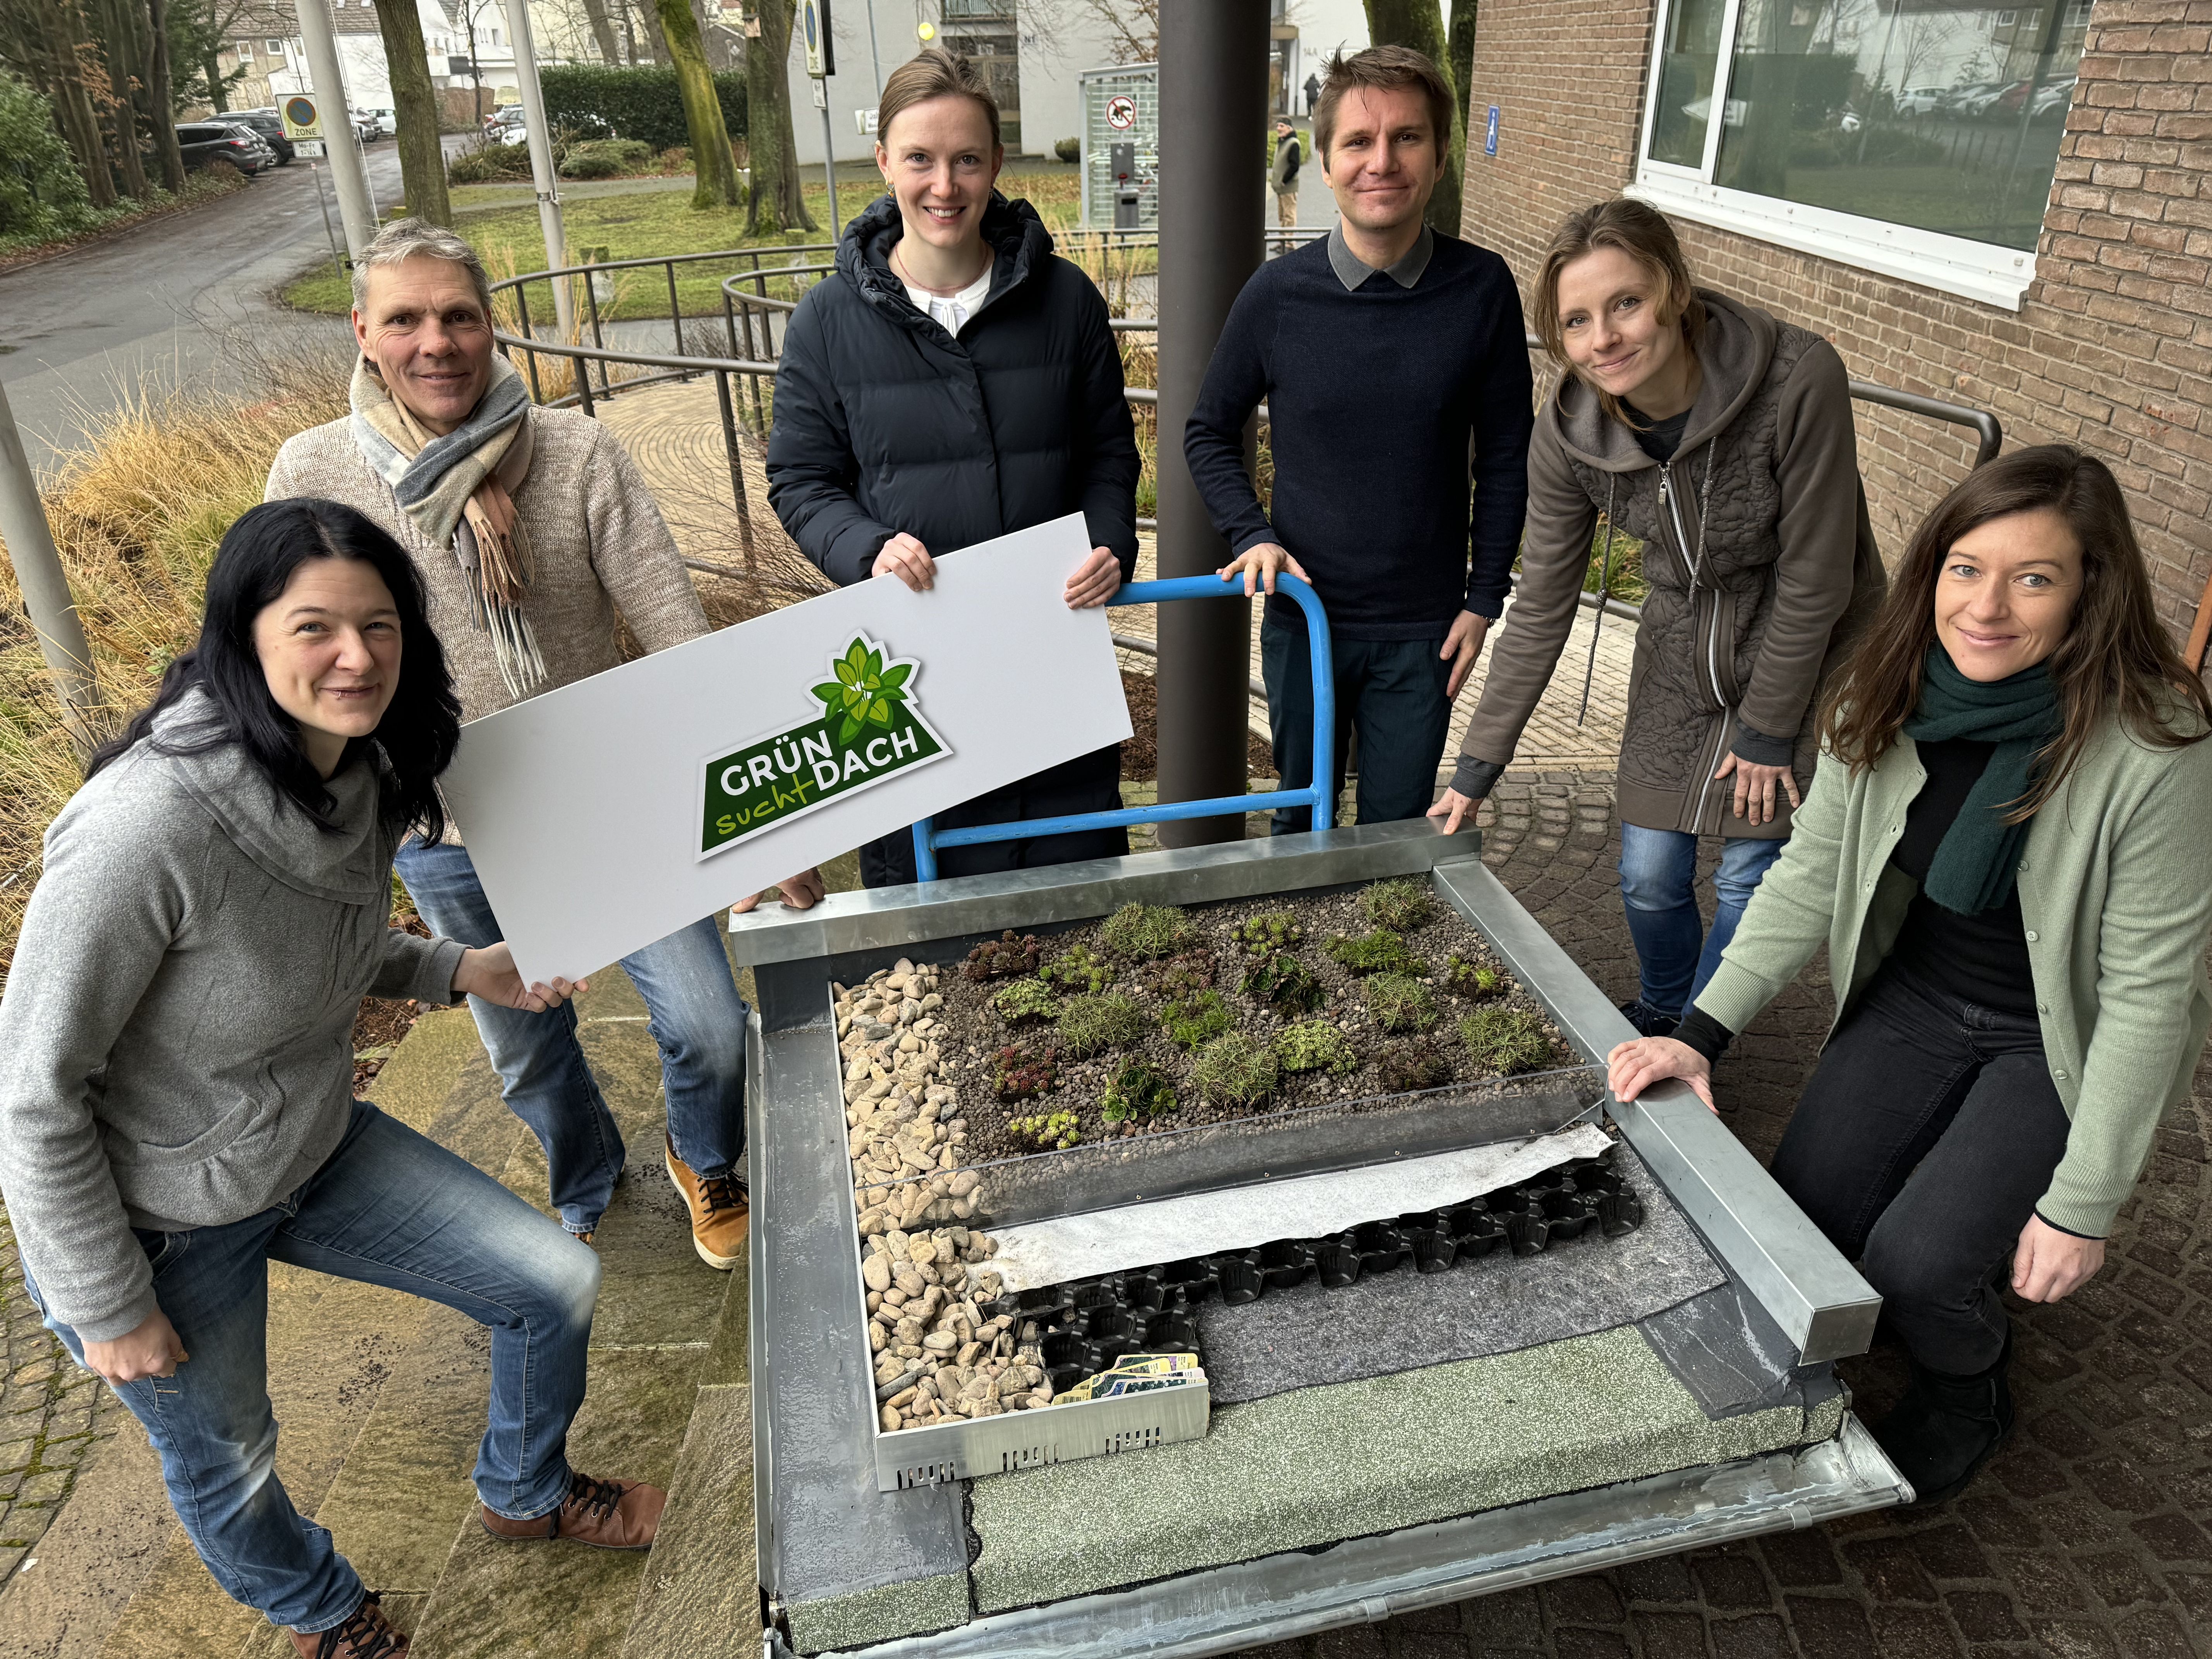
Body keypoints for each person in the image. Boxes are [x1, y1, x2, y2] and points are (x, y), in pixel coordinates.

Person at [0, 500, 667, 1659]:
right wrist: (107, 1301)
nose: (356, 657)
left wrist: (462, 969)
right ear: (242, 638)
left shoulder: (360, 768)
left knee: (549, 1282)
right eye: (315, 627)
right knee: (228, 1455)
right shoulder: (141, 829)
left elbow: (313, 945)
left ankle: (524, 1486)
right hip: (158, 1218)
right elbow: (33, 1088)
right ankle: (323, 1611)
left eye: (380, 625)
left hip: (310, 1143)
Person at [1607, 447, 2212, 1504]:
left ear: (2090, 593)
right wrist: (1698, 1031)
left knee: (1919, 1268)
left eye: (2034, 577)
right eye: (1966, 567)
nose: (1987, 605)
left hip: (2050, 1036)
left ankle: (1971, 1380)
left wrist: (2085, 1204)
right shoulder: (1886, 690)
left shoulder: (2155, 746)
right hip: (1919, 1000)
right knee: (1808, 1225)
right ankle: (1954, 1237)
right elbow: (1809, 878)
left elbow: (2152, 993)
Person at [265, 218, 818, 1271]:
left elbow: (674, 629)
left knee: (708, 1021)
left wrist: (763, 821)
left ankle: (704, 1155)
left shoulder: (577, 452)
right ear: (364, 333)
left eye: (460, 315)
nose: (437, 341)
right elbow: (275, 645)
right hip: (444, 818)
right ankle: (587, 1173)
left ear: (490, 324)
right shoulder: (316, 471)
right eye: (407, 319)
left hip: (607, 799)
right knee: (524, 1055)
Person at [1432, 199, 1884, 1037]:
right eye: (1576, 320)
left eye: (1625, 303)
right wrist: (1476, 768)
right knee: (1647, 871)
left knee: (1754, 872)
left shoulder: (1798, 377)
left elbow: (1819, 576)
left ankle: (1700, 1040)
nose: (1603, 337)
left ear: (1674, 289)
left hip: (1813, 651)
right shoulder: (1568, 436)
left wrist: (1766, 730)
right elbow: (1542, 607)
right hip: (1683, 653)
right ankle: (1667, 1002)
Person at [766, 48, 1140, 888]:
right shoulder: (827, 322)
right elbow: (800, 480)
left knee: (1075, 901)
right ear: (885, 164)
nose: (946, 184)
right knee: (930, 915)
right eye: (922, 159)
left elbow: (1109, 454)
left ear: (997, 165)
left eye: (967, 159)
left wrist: (1112, 541)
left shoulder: (1068, 301)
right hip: (909, 664)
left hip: (1051, 654)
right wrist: (865, 547)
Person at [1186, 46, 1533, 835]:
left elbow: (1510, 455)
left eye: (1407, 138)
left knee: (1393, 835)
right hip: (1306, 611)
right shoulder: (1277, 295)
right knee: (1296, 824)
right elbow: (1208, 430)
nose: (1383, 161)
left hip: (1427, 632)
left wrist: (1485, 600)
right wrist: (1252, 533)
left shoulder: (1482, 289)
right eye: (1359, 143)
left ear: (1441, 157)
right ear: (1327, 162)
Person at [1270, 116, 1302, 231]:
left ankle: (1289, 244)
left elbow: (1295, 166)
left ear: (1290, 129)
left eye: (1282, 126)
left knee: (1289, 215)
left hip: (1288, 187)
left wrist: (1284, 181)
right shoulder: (1283, 142)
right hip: (1281, 188)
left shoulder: (1293, 143)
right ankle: (1283, 241)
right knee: (1282, 215)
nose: (1278, 128)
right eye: (1278, 126)